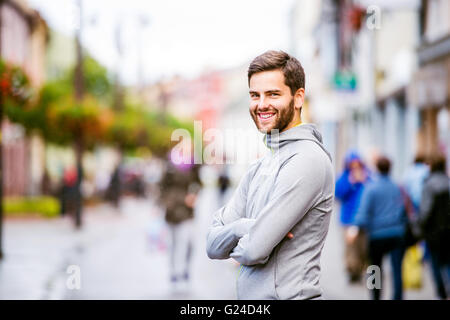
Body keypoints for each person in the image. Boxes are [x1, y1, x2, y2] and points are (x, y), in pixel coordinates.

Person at [206, 50, 334, 300]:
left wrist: (241, 236)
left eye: (273, 94)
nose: (261, 104)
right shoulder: (260, 166)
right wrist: (244, 227)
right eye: (255, 95)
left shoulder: (307, 160)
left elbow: (254, 250)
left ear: (298, 98)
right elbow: (212, 245)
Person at [352, 156, 407, 300]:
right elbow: (403, 209)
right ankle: (398, 296)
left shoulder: (371, 188)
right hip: (396, 234)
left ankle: (375, 296)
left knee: (374, 269)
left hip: (376, 235)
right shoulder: (397, 187)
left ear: (376, 168)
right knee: (397, 270)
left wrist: (356, 227)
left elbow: (363, 212)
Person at [159, 154, 201, 292]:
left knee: (188, 243)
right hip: (172, 211)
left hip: (186, 211)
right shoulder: (169, 166)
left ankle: (183, 270)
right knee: (174, 243)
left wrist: (193, 194)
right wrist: (163, 202)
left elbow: (198, 183)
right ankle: (176, 274)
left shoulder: (193, 165)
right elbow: (162, 186)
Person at [335, 150, 371, 282]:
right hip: (348, 220)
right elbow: (337, 194)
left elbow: (372, 192)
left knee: (363, 248)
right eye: (352, 165)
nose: (355, 167)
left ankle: (361, 269)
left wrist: (365, 180)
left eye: (357, 164)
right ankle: (352, 272)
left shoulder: (367, 175)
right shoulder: (344, 177)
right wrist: (350, 182)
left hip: (365, 220)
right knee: (350, 249)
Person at [418, 153, 450, 299]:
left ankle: (441, 292)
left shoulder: (429, 184)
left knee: (436, 263)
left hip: (434, 233)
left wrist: (420, 227)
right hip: (448, 231)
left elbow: (425, 211)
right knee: (448, 261)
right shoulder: (448, 182)